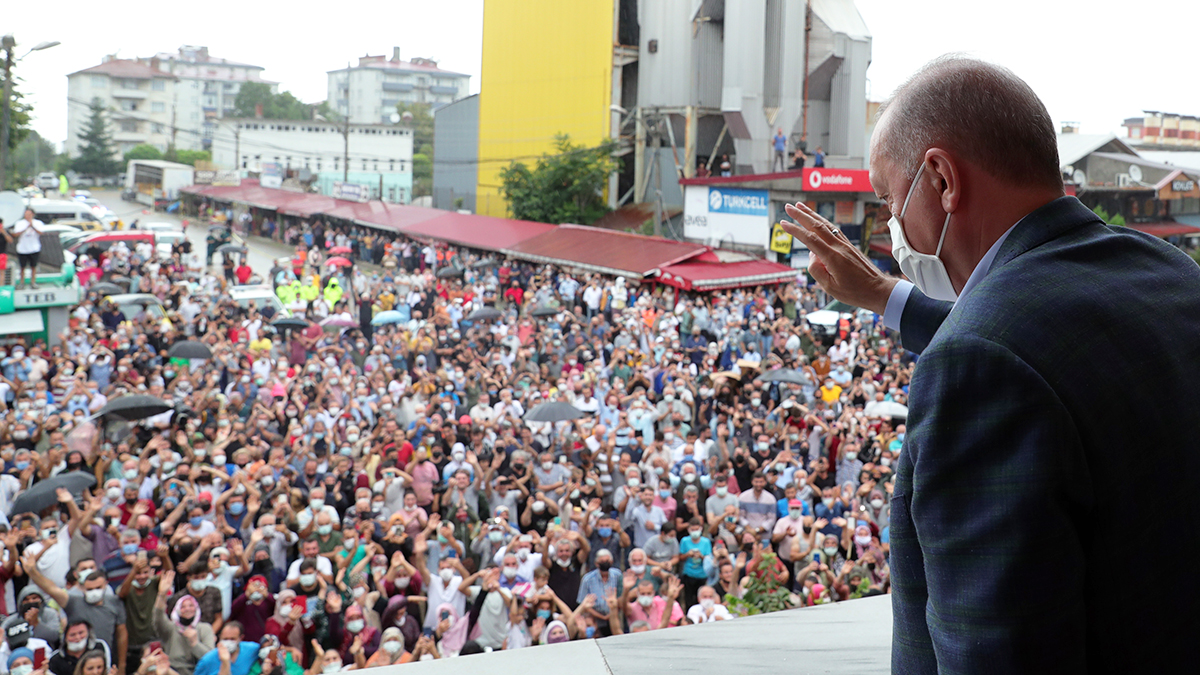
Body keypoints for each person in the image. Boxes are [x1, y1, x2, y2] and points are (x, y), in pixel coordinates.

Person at [782, 54, 1200, 672]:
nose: (894, 227)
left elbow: (997, 648)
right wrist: (882, 294)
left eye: (891, 200)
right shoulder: (1170, 273)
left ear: (943, 180)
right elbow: (1045, 352)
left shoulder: (979, 362)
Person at [192, 622, 256, 675]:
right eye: (225, 639)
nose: (228, 642)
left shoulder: (251, 649)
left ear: (241, 638)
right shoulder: (207, 660)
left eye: (232, 639)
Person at [11, 208, 44, 289]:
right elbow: (15, 234)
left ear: (32, 214)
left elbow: (41, 232)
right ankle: (22, 282)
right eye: (26, 214)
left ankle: (33, 282)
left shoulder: (38, 223)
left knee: (33, 266)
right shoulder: (20, 223)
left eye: (29, 214)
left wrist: (32, 226)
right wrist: (26, 228)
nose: (27, 216)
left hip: (34, 248)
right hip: (22, 249)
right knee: (22, 267)